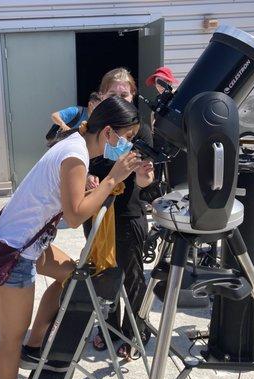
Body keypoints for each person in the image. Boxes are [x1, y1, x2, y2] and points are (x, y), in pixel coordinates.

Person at [0, 96, 151, 379]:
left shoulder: (76, 143)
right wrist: (112, 179)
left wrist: (94, 183)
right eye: (126, 138)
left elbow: (67, 192)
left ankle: (35, 345)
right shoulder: (76, 155)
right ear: (109, 132)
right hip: (14, 250)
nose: (128, 145)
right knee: (10, 337)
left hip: (31, 241)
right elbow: (75, 217)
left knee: (72, 276)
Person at [88, 67, 155, 358]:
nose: (118, 98)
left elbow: (147, 183)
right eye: (112, 94)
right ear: (101, 96)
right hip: (96, 215)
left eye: (124, 93)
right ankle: (107, 327)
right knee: (102, 274)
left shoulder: (140, 131)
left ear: (133, 95)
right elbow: (78, 168)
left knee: (132, 275)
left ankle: (135, 330)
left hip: (129, 214)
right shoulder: (92, 131)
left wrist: (143, 175)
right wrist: (86, 179)